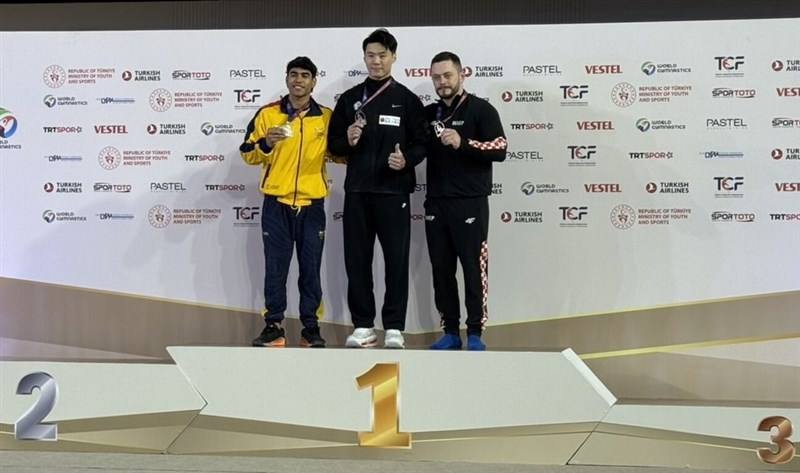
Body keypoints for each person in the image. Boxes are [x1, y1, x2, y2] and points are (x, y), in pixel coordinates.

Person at [327, 28, 427, 349]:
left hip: (394, 193)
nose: (376, 61)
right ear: (364, 58)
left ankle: (395, 326)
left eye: (382, 55)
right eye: (371, 55)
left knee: (396, 261)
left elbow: (423, 142)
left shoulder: (407, 100)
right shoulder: (349, 99)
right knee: (357, 260)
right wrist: (350, 140)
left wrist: (407, 160)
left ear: (394, 57)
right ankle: (364, 325)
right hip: (357, 192)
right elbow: (334, 144)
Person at [240, 56, 332, 348]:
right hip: (275, 203)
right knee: (275, 268)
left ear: (314, 81)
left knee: (310, 269)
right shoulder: (268, 114)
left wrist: (354, 141)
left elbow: (340, 152)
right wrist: (267, 143)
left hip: (312, 205)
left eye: (305, 75)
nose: (298, 80)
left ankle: (310, 328)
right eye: (293, 74)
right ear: (286, 78)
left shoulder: (326, 117)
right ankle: (274, 325)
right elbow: (247, 152)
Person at [424, 51, 507, 351]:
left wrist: (464, 142)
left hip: (471, 203)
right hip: (435, 204)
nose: (442, 82)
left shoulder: (482, 110)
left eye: (447, 75)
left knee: (473, 268)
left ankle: (474, 332)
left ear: (461, 75)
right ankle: (449, 331)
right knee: (441, 270)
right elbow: (416, 147)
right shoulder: (428, 114)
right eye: (436, 77)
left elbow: (500, 148)